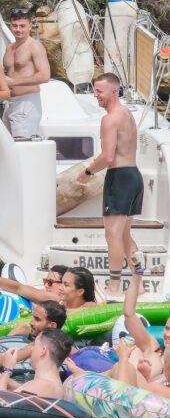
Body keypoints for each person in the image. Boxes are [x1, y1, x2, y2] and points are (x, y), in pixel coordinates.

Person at [77, 72, 145, 298]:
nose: (95, 95)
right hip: (134, 176)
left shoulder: (110, 118)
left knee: (112, 235)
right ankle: (140, 285)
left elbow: (107, 157)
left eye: (99, 91)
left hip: (120, 177)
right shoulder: (126, 113)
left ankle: (114, 286)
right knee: (125, 235)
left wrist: (87, 172)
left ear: (113, 91)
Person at [2, 8, 51, 137]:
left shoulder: (34, 46)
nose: (18, 29)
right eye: (15, 25)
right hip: (8, 103)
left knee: (22, 147)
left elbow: (45, 76)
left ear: (30, 26)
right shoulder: (9, 47)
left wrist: (14, 82)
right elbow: (7, 73)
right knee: (6, 147)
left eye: (22, 26)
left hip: (26, 103)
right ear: (10, 25)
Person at [0, 328, 73, 399]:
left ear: (43, 350)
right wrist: (7, 382)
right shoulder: (55, 385)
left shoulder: (42, 385)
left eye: (35, 344)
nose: (31, 349)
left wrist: (7, 370)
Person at [0, 264, 69, 306]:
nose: (45, 285)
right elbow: (18, 287)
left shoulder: (55, 298)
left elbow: (18, 287)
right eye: (45, 281)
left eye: (49, 282)